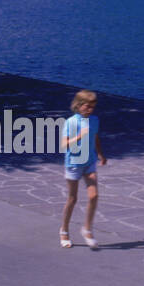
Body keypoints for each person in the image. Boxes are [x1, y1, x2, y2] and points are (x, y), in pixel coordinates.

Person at [59, 90, 105, 249]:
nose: (90, 110)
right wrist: (79, 136)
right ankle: (64, 230)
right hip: (73, 163)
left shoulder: (94, 120)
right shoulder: (71, 122)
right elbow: (64, 145)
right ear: (78, 106)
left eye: (93, 107)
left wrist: (100, 154)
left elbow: (95, 136)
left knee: (94, 196)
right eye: (87, 106)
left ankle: (87, 229)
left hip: (89, 162)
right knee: (73, 199)